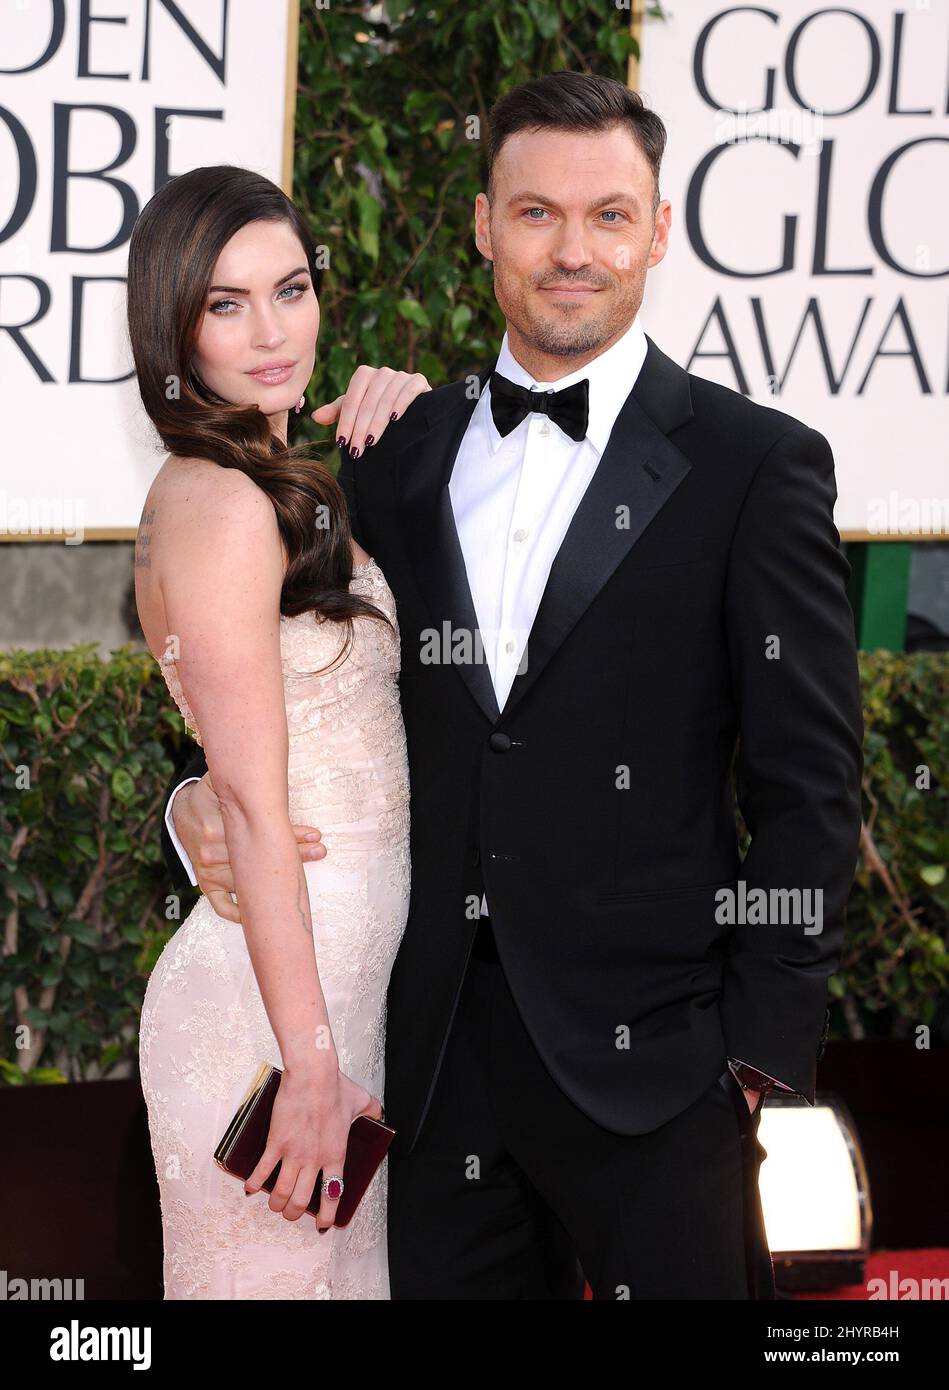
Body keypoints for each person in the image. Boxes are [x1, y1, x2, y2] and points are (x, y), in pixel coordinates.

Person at [162, 73, 864, 1299]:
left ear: (655, 230)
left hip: (658, 1078)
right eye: (536, 213)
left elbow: (812, 788)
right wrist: (189, 812)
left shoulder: (756, 465)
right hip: (430, 1069)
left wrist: (756, 1060)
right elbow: (267, 694)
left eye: (608, 215)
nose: (572, 249)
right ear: (485, 226)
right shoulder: (393, 457)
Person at [131, 164, 430, 1299]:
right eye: (224, 303)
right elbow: (250, 799)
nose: (271, 331)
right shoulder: (217, 502)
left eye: (290, 288)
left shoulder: (275, 481)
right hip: (268, 1027)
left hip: (330, 1013)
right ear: (176, 325)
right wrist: (308, 1065)